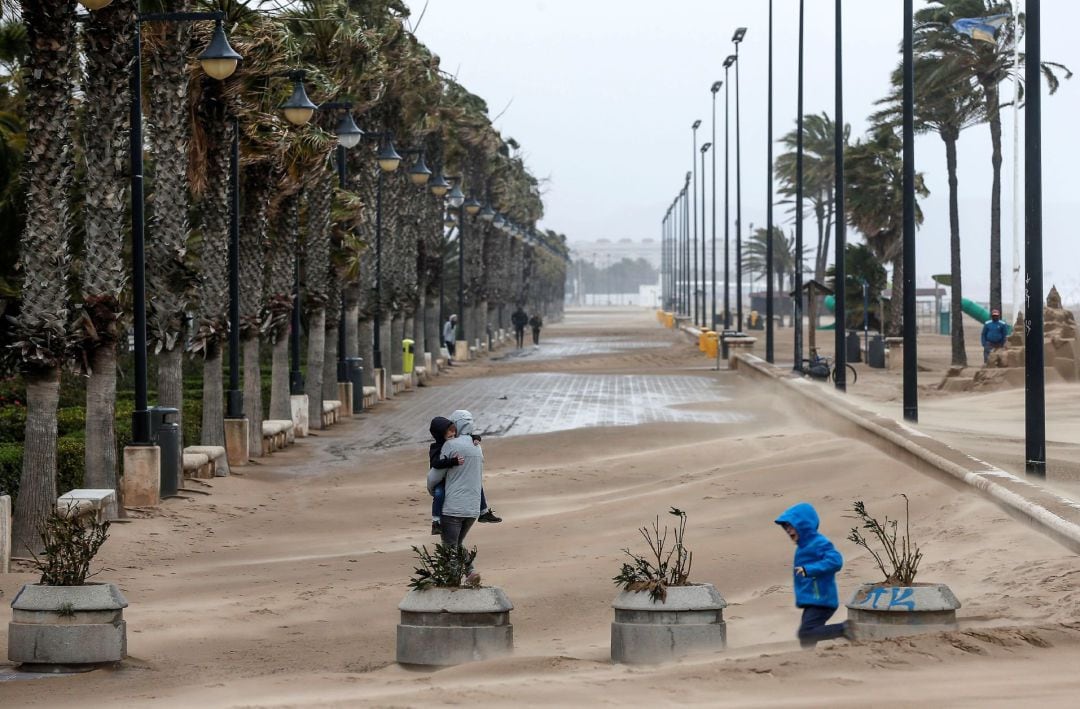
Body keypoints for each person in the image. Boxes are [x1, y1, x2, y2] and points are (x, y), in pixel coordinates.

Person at [775, 502, 849, 648]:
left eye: (791, 526)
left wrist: (809, 570)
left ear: (803, 524)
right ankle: (810, 663)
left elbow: (835, 560)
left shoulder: (819, 542)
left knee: (806, 633)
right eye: (786, 527)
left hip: (821, 599)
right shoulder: (803, 547)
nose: (788, 531)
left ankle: (846, 629)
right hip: (812, 600)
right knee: (806, 639)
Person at [428, 410, 486, 584]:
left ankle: (453, 579)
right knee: (457, 543)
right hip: (473, 508)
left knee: (449, 547)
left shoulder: (450, 446)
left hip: (453, 508)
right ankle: (470, 573)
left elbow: (434, 477)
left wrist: (434, 491)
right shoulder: (477, 445)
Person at [427, 416, 502, 536]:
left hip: (454, 480)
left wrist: (475, 438)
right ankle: (436, 521)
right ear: (440, 435)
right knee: (439, 494)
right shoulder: (436, 447)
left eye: (454, 435)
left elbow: (467, 437)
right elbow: (435, 465)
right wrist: (453, 461)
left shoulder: (453, 442)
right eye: (449, 436)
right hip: (442, 480)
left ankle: (484, 512)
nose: (452, 438)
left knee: (478, 486)